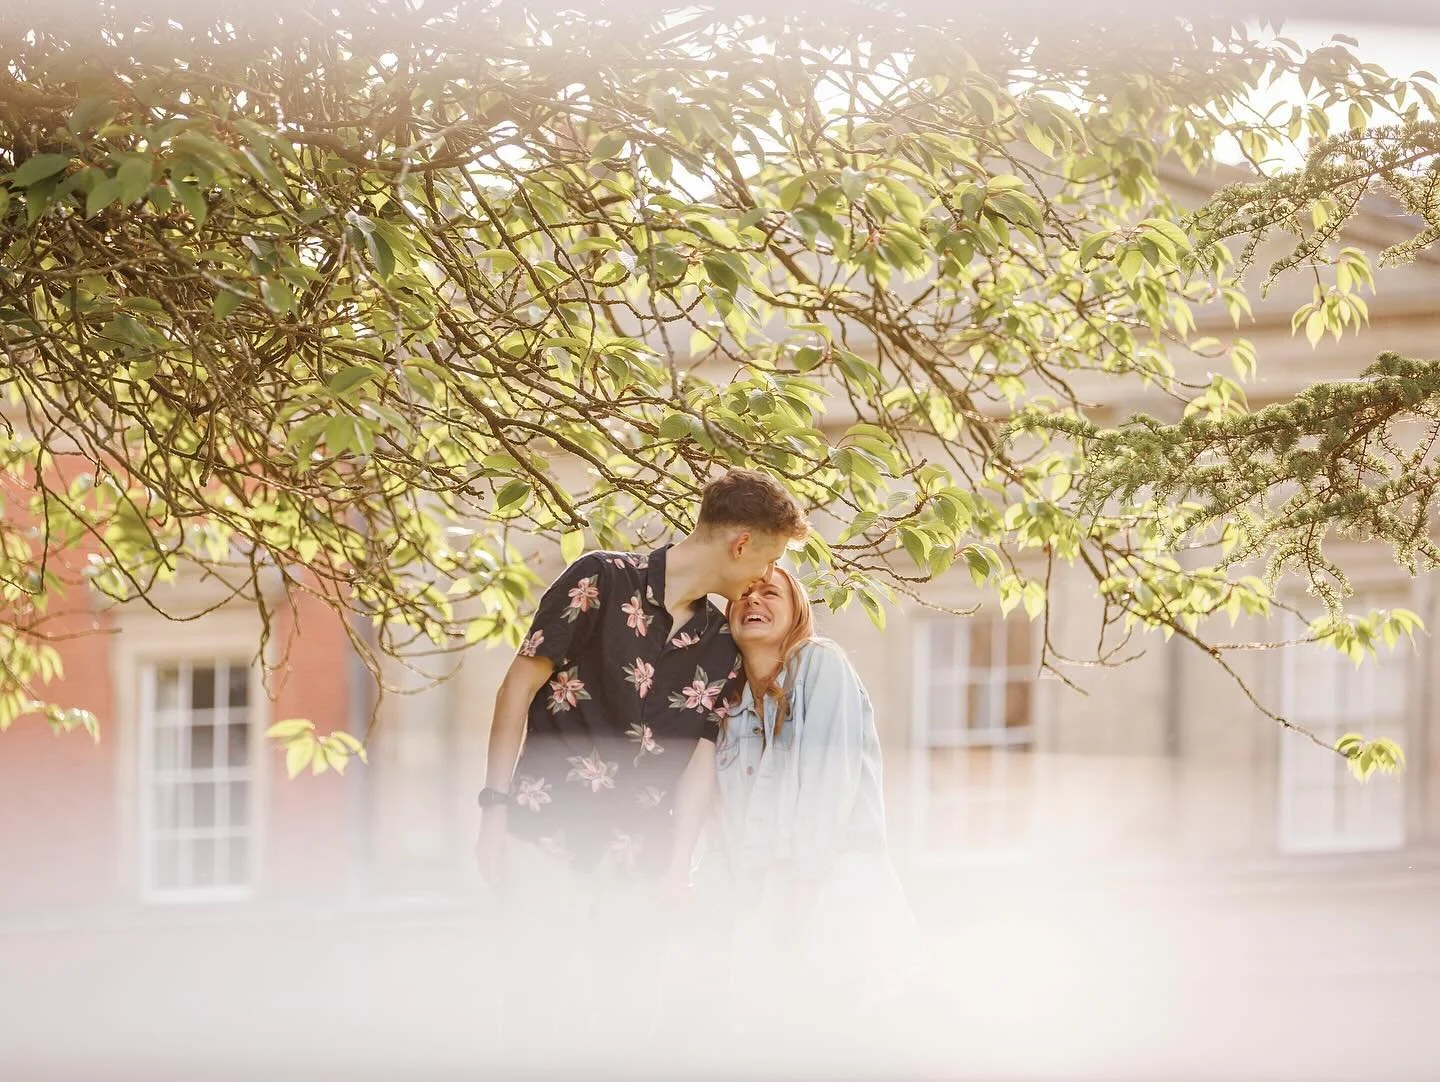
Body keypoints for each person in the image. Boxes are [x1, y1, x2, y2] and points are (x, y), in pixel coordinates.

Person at [473, 468, 808, 1060]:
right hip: (546, 836)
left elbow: (699, 758)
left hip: (642, 863)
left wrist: (679, 863)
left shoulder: (721, 640)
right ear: (740, 545)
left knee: (628, 1027)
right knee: (530, 1015)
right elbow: (516, 689)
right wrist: (493, 813)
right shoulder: (599, 578)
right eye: (769, 560)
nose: (764, 578)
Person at [703, 565, 925, 1033]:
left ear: (797, 611)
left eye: (770, 593)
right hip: (761, 898)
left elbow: (829, 782)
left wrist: (802, 896)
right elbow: (723, 820)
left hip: (831, 883)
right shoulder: (727, 703)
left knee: (835, 1036)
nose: (753, 600)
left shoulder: (821, 665)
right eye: (743, 593)